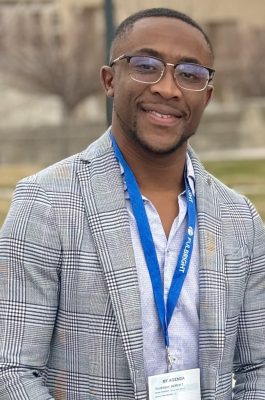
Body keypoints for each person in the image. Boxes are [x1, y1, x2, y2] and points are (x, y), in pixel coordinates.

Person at [0, 7, 265, 400]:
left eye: (190, 75)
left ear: (206, 97)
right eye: (146, 65)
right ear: (110, 80)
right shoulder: (45, 204)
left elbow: (257, 369)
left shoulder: (240, 218)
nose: (168, 88)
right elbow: (12, 370)